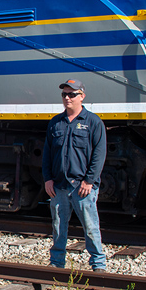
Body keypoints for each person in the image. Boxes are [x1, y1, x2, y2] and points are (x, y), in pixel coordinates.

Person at [41, 78, 108, 271]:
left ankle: (98, 266)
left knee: (91, 228)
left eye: (72, 94)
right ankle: (57, 264)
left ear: (82, 96)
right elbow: (47, 154)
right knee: (58, 228)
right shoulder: (56, 123)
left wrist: (89, 181)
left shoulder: (93, 122)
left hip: (82, 187)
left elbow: (99, 154)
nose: (67, 98)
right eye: (64, 94)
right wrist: (48, 179)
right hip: (60, 186)